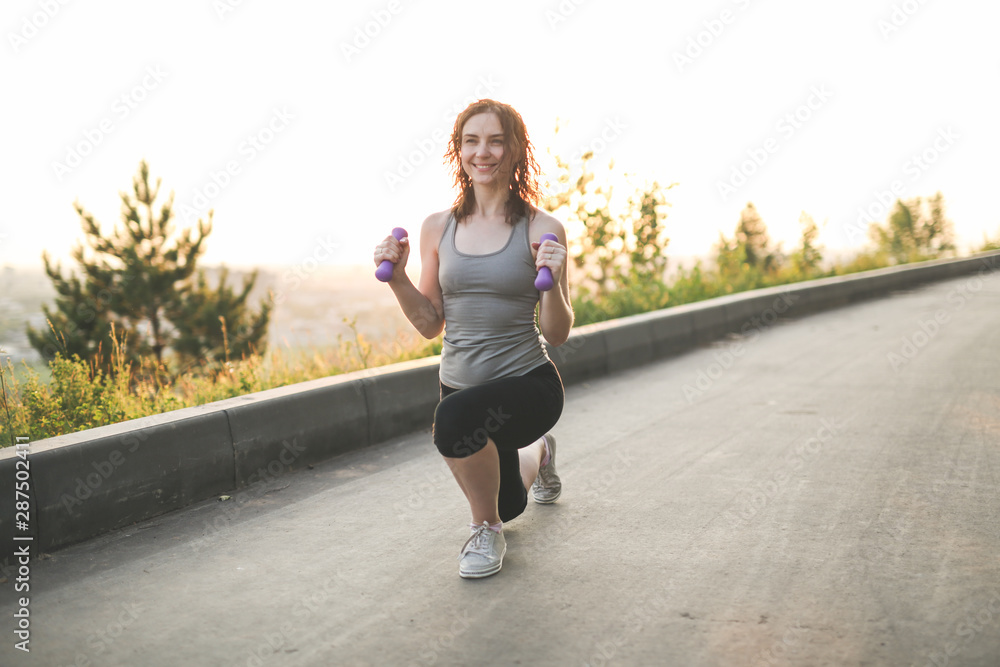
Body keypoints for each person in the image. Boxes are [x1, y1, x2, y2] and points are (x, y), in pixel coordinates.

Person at [373, 99, 573, 579]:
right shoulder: (436, 228)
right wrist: (397, 278)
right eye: (471, 140)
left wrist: (553, 275)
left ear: (516, 149)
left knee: (454, 421)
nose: (483, 152)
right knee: (513, 500)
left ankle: (486, 531)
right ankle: (539, 453)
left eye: (496, 140)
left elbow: (558, 333)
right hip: (460, 386)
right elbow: (429, 323)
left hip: (528, 385)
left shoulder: (543, 228)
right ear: (458, 150)